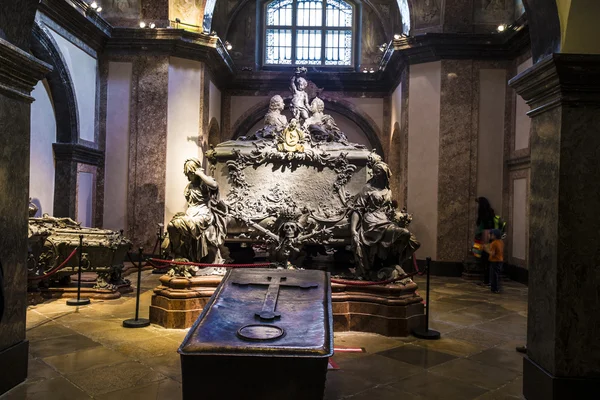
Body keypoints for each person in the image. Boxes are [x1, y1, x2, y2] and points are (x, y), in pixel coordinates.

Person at [349, 155, 420, 280]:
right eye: (374, 172)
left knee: (406, 235)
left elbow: (390, 210)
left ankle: (392, 263)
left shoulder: (388, 191)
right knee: (401, 233)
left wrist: (400, 216)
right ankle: (383, 265)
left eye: (378, 172)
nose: (375, 175)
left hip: (385, 220)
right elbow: (357, 210)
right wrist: (353, 230)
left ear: (385, 175)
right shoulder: (367, 189)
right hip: (371, 221)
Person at [167, 158, 228, 264]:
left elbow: (214, 185)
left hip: (202, 215)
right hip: (190, 214)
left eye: (190, 173)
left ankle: (184, 255)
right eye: (186, 173)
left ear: (195, 172)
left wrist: (200, 173)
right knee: (172, 226)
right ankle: (179, 255)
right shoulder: (189, 186)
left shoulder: (204, 184)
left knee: (175, 225)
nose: (187, 176)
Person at [475, 197, 496, 286]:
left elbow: (484, 228)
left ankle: (487, 280)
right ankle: (487, 280)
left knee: (485, 259)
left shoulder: (484, 214)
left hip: (484, 238)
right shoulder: (490, 213)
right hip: (488, 238)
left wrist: (483, 240)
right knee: (486, 260)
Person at [486, 228, 504, 293]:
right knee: (497, 275)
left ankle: (494, 289)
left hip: (494, 261)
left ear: (495, 235)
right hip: (500, 260)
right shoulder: (501, 242)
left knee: (493, 275)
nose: (490, 235)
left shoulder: (494, 243)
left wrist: (486, 249)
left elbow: (492, 253)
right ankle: (497, 288)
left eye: (492, 234)